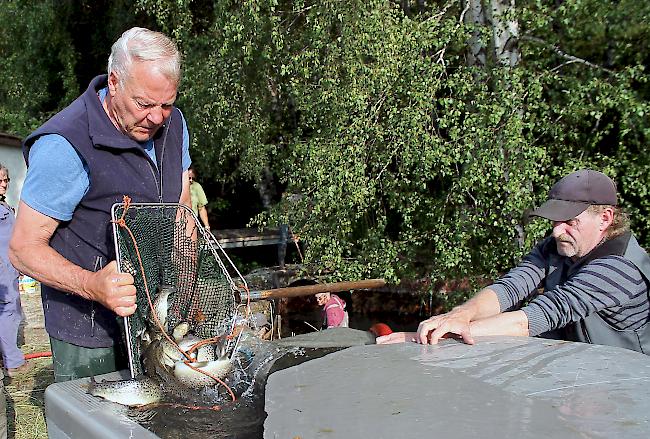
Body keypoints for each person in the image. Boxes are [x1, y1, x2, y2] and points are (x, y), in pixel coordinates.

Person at [9, 27, 192, 382]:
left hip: (155, 315)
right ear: (114, 81)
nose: (157, 118)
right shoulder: (65, 145)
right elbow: (22, 249)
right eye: (144, 104)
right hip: (89, 333)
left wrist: (185, 283)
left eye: (166, 104)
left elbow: (182, 208)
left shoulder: (176, 125)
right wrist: (93, 284)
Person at [378, 169, 650, 354]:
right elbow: (511, 288)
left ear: (605, 218)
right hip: (577, 365)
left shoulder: (619, 267)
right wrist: (459, 315)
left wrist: (431, 338)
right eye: (555, 221)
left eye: (569, 222)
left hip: (625, 382)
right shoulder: (560, 245)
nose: (556, 231)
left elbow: (542, 314)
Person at [0, 164, 29, 378]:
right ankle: (13, 361)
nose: (3, 185)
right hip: (2, 269)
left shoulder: (4, 206)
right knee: (10, 311)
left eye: (6, 180)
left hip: (8, 267)